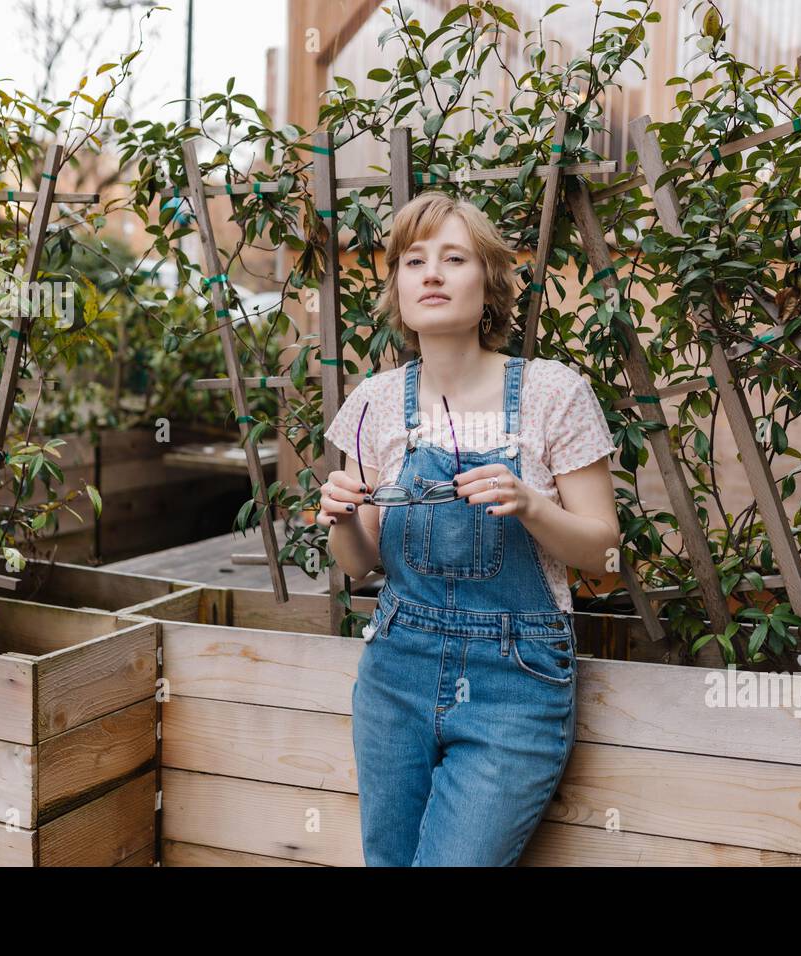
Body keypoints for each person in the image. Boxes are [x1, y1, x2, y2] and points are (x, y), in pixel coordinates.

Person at [320, 190, 618, 866]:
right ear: (396, 287)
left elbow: (605, 550)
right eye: (414, 260)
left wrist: (533, 505)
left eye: (453, 258)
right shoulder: (372, 403)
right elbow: (358, 565)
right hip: (396, 669)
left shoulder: (551, 392)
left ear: (488, 285)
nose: (431, 273)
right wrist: (337, 518)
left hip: (513, 681)